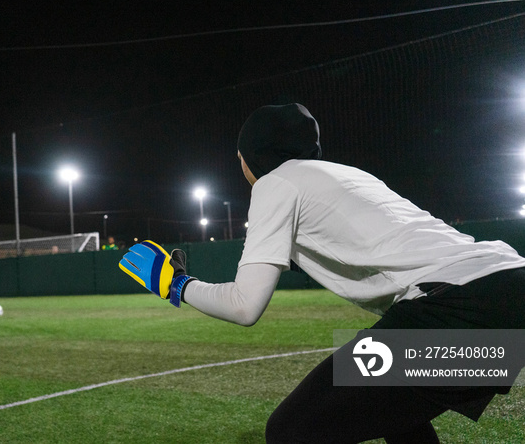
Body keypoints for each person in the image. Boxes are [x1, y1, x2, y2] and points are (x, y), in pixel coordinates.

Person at [119, 103, 525, 443]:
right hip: (507, 293)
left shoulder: (275, 184)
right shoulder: (346, 175)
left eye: (239, 155)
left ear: (251, 155)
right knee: (394, 412)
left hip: (459, 307)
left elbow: (245, 307)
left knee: (290, 431)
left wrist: (176, 285)